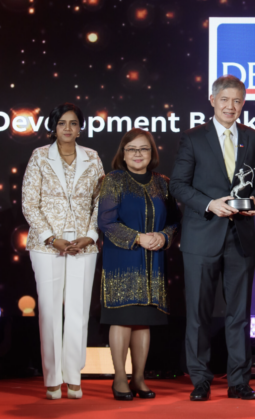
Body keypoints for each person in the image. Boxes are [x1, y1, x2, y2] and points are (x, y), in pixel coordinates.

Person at [169, 75, 255, 401]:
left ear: (243, 104)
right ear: (212, 100)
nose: (231, 106)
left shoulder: (252, 138)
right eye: (224, 99)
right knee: (198, 313)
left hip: (240, 237)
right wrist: (210, 204)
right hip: (201, 237)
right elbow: (178, 186)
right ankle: (200, 379)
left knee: (239, 314)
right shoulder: (193, 137)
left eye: (237, 101)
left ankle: (239, 381)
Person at [21, 103, 104, 400]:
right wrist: (50, 237)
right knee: (50, 311)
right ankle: (53, 379)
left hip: (84, 244)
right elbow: (30, 203)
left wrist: (90, 236)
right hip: (47, 246)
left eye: (73, 123)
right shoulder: (40, 156)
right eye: (62, 124)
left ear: (80, 128)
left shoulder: (92, 157)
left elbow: (100, 203)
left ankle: (74, 376)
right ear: (53, 127)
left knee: (79, 312)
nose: (68, 129)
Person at [97, 129, 179, 400]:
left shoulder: (163, 182)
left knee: (143, 321)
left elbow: (175, 220)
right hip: (122, 258)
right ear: (123, 153)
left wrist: (163, 236)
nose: (137, 154)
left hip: (153, 260)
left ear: (152, 153)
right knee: (122, 319)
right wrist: (137, 238)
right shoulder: (113, 180)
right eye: (131, 149)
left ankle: (139, 378)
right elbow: (106, 222)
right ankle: (120, 378)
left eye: (143, 149)